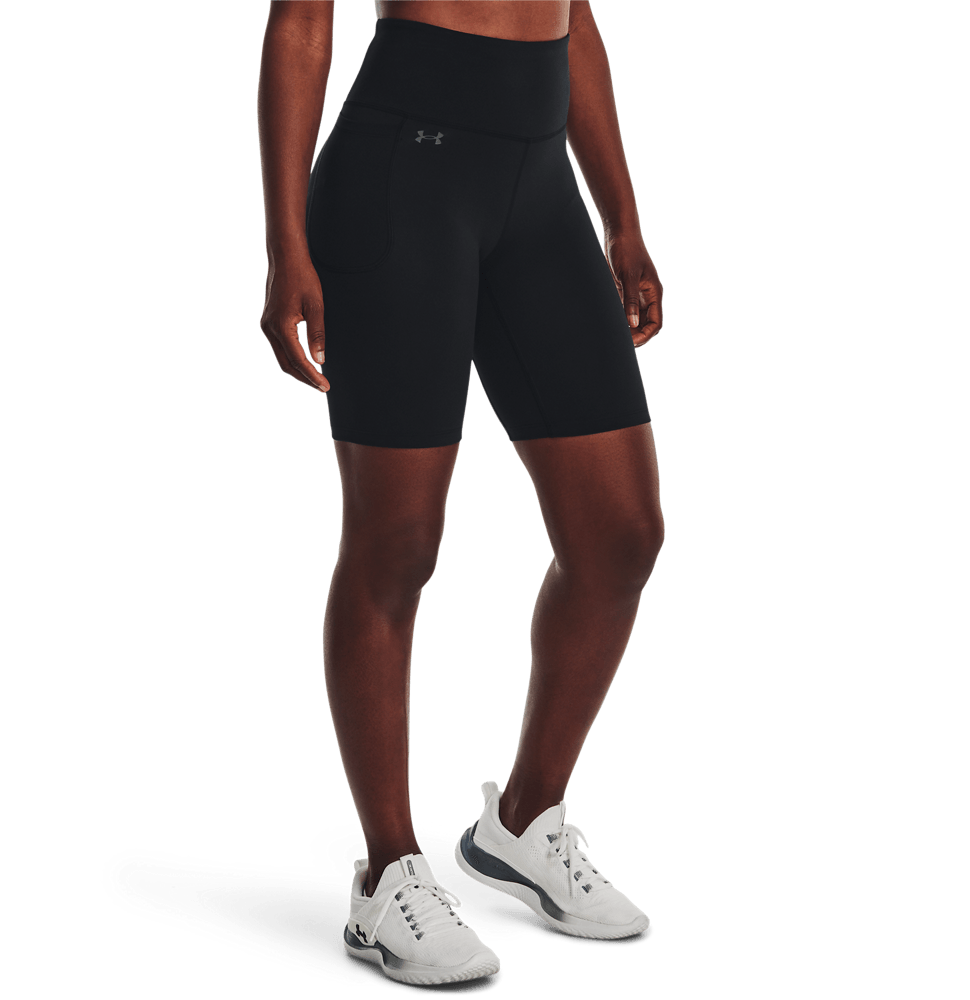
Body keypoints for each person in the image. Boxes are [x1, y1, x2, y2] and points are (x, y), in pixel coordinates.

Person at [257, 0, 665, 985]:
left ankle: (520, 826)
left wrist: (622, 219)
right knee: (396, 542)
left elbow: (576, 19)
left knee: (620, 536)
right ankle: (387, 871)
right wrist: (285, 244)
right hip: (404, 178)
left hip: (541, 189)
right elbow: (302, 23)